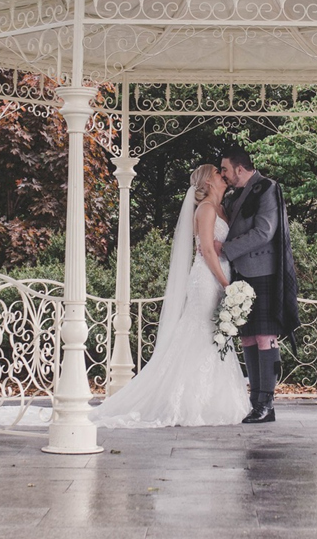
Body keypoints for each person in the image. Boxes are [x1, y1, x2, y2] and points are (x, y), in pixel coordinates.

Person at [89, 164, 250, 428]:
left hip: (220, 276)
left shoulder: (222, 208)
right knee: (202, 332)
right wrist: (226, 284)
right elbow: (208, 250)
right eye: (218, 174)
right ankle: (187, 402)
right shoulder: (207, 209)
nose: (224, 176)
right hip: (208, 279)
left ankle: (210, 399)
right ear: (209, 182)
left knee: (215, 333)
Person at [219, 146, 300, 424]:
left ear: (239, 168)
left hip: (263, 271)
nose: (223, 175)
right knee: (247, 338)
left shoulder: (267, 188)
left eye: (225, 169)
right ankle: (256, 402)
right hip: (241, 273)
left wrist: (227, 250)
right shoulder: (232, 195)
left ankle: (266, 402)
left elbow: (265, 231)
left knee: (265, 337)